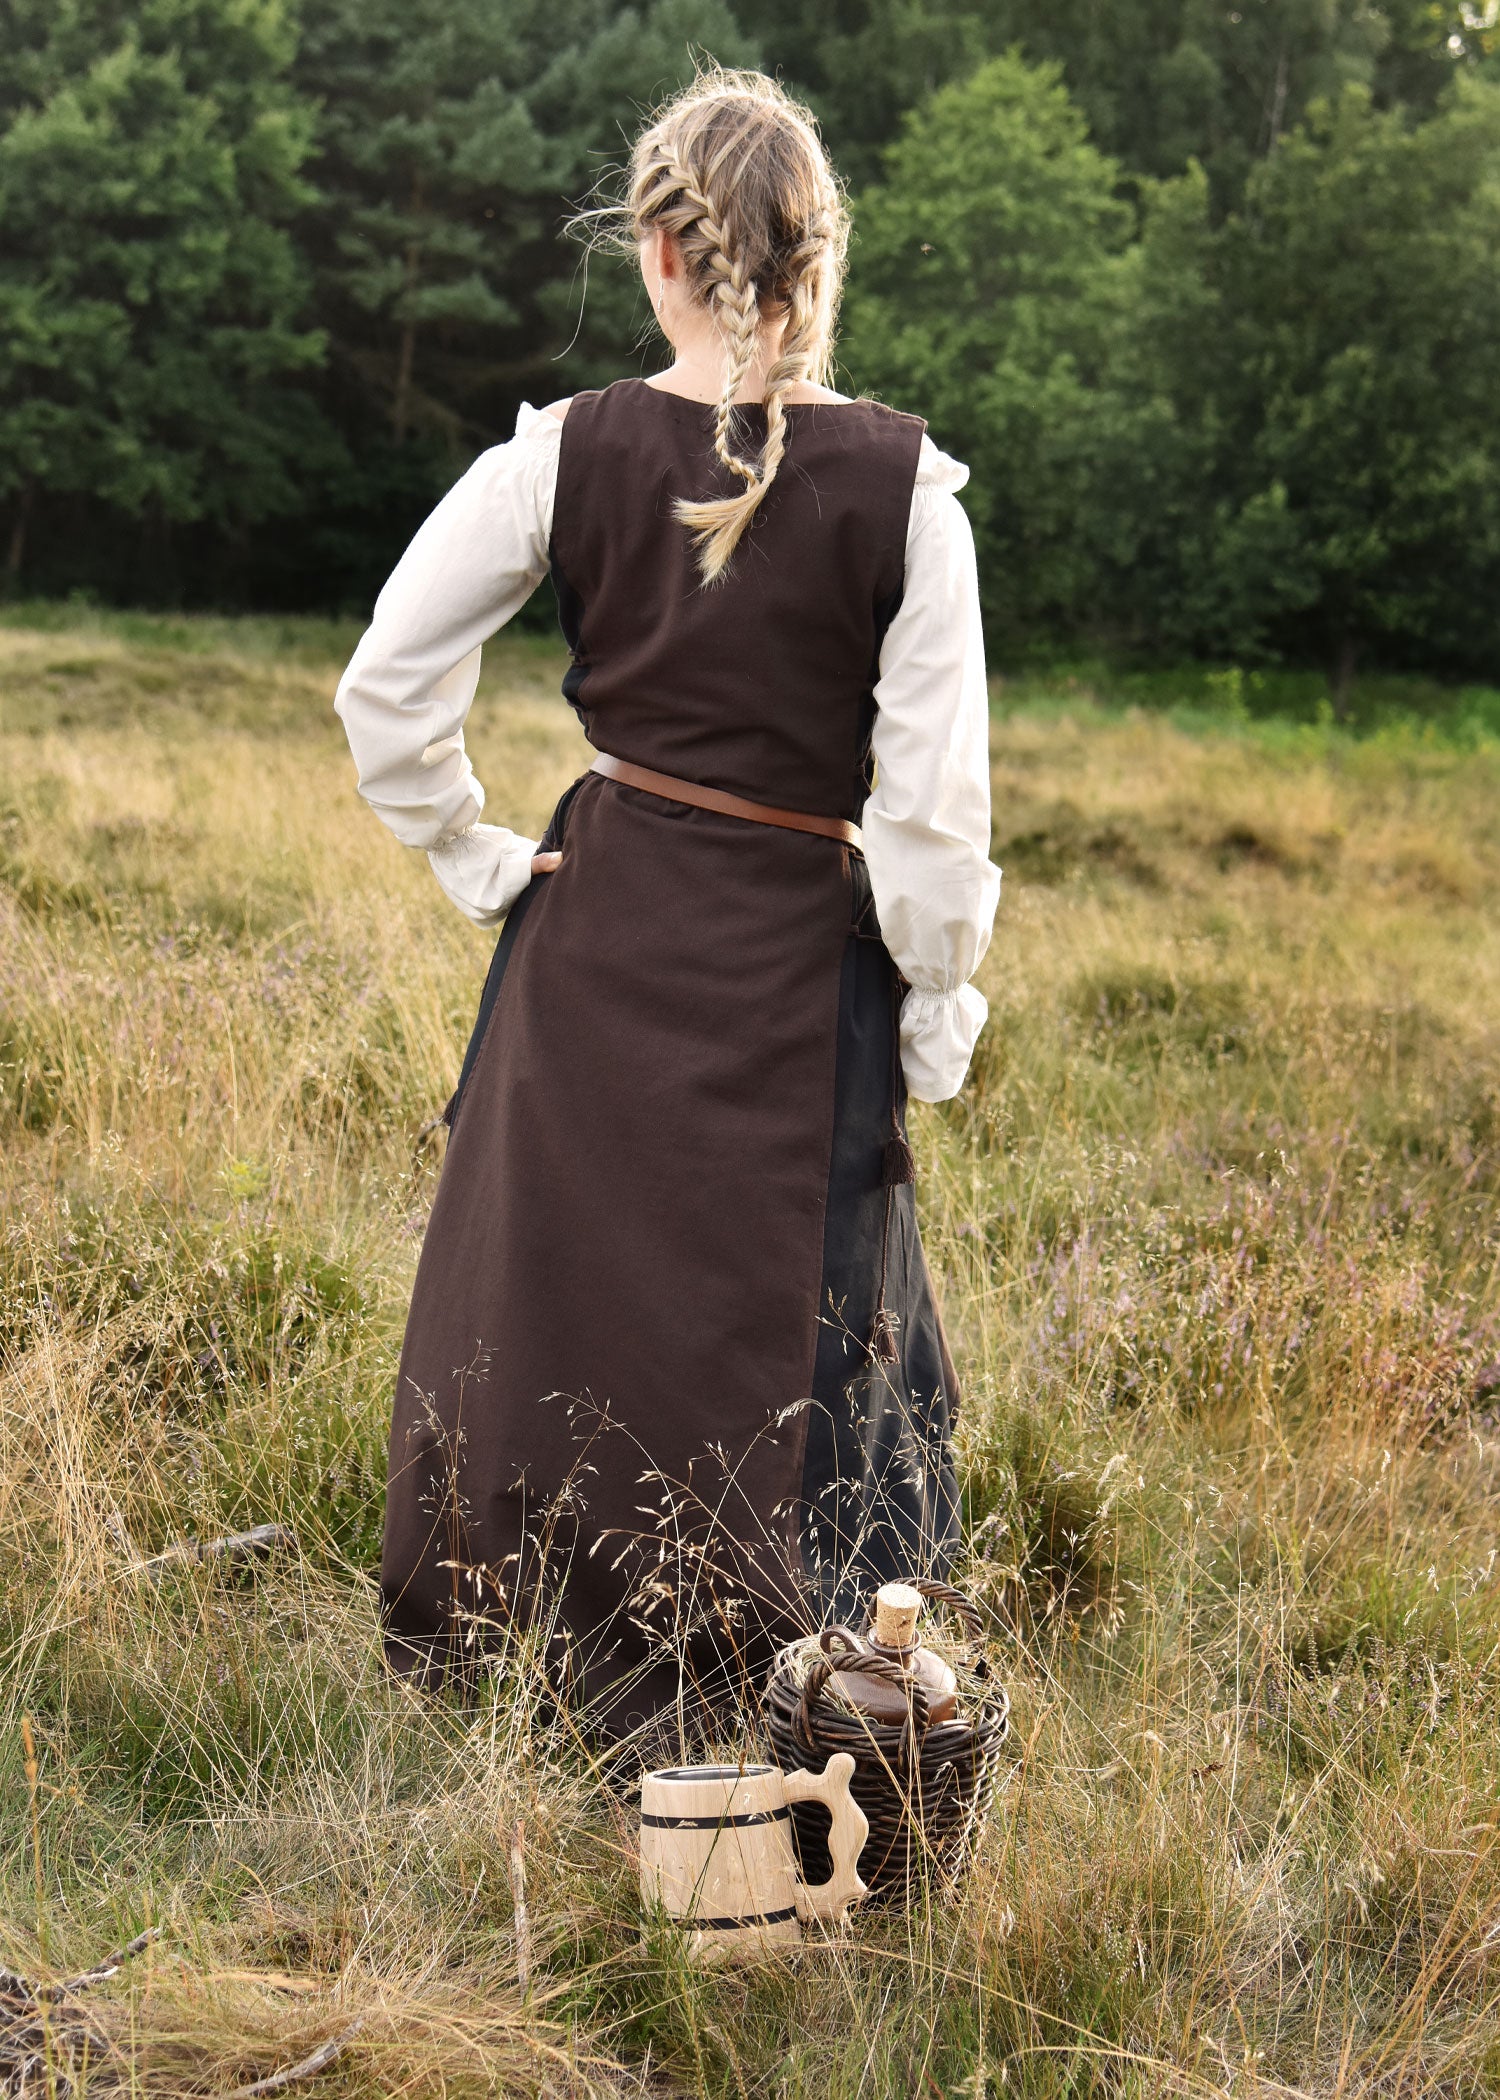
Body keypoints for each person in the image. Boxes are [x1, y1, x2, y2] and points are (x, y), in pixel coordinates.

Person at [334, 66, 1001, 1751]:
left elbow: (387, 691)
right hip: (802, 953)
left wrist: (484, 858)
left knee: (549, 1296)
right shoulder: (908, 494)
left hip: (599, 921)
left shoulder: (562, 455)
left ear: (656, 254)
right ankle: (790, 1681)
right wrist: (933, 1003)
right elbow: (928, 818)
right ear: (817, 262)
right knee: (797, 1328)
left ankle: (518, 1658)